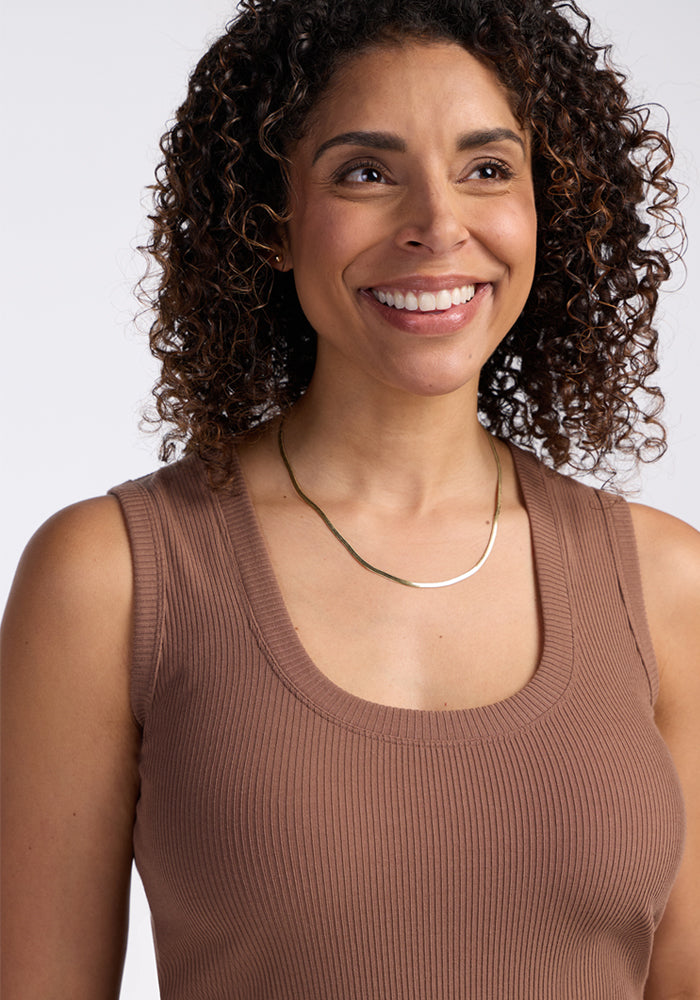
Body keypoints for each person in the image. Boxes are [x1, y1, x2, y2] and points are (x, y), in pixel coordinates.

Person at [2, 0, 698, 996]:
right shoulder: (109, 576)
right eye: (365, 173)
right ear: (269, 219)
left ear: (547, 210)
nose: (437, 224)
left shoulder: (668, 583)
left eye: (488, 169)